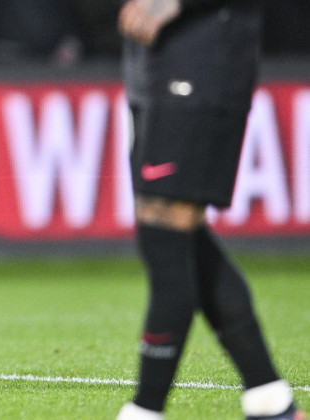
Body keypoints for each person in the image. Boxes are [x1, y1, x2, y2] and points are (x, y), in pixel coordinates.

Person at [116, 0, 305, 419]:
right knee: (178, 236)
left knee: (165, 231)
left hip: (204, 54)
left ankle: (145, 409)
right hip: (156, 60)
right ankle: (269, 397)